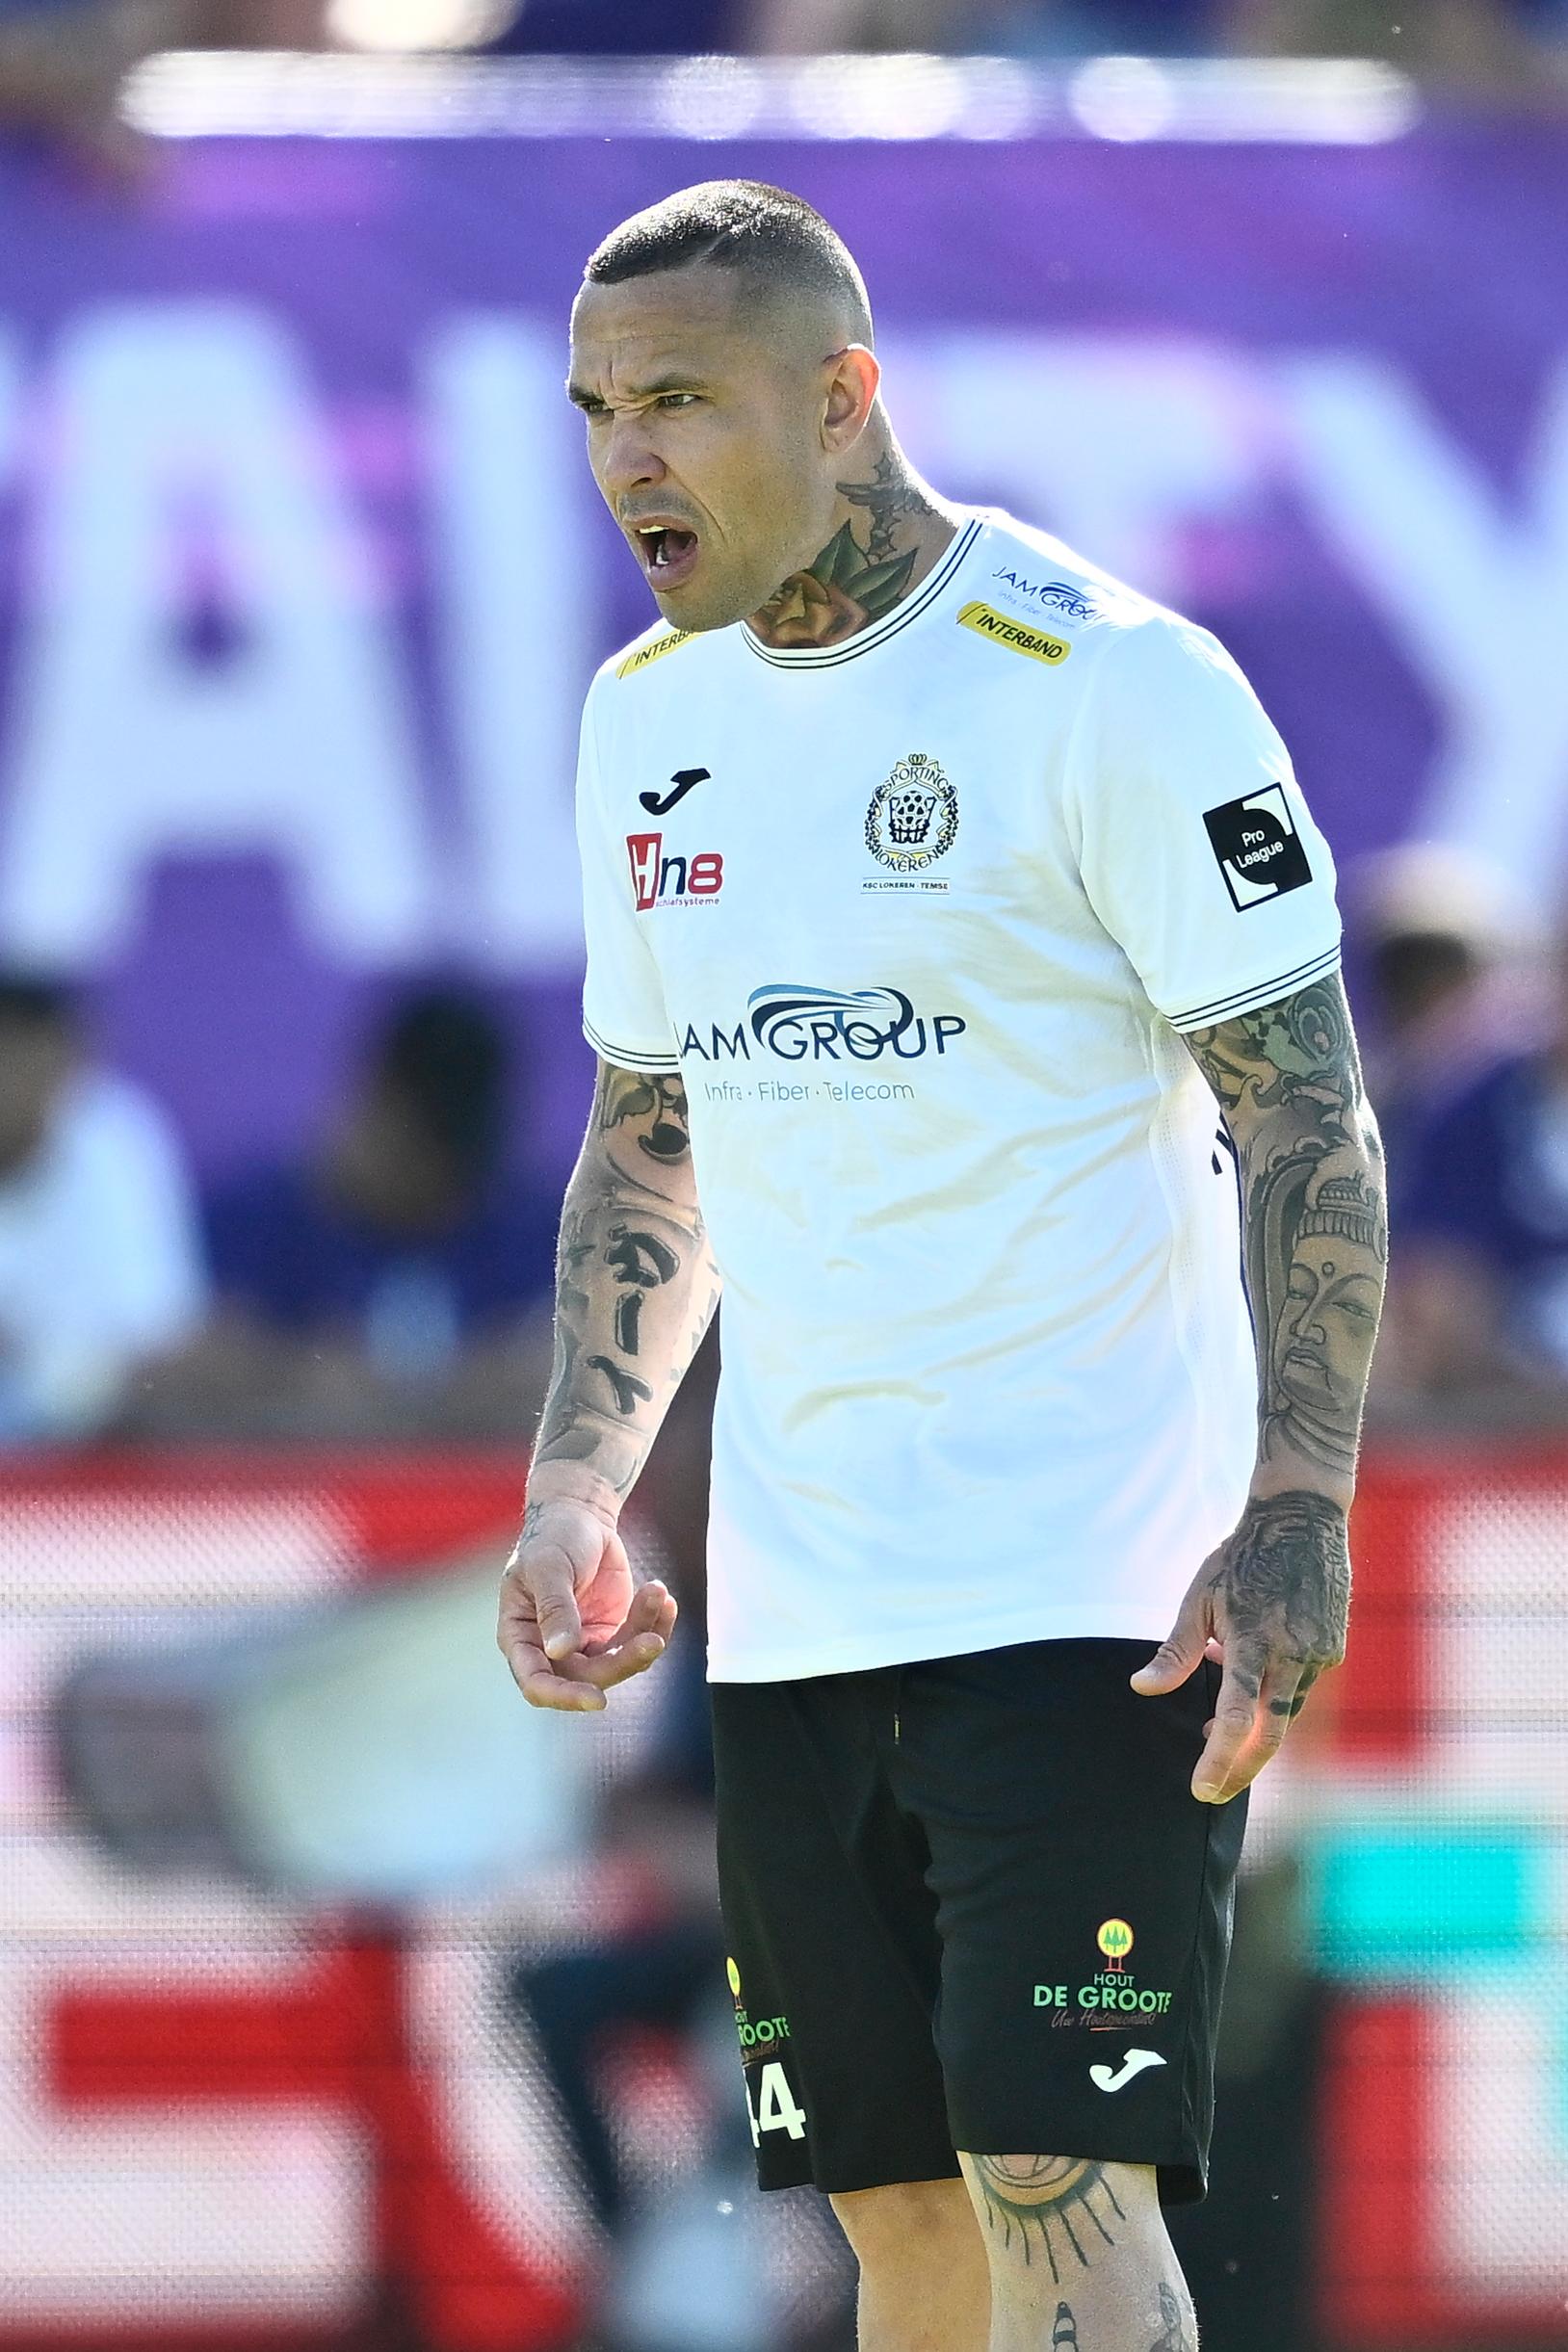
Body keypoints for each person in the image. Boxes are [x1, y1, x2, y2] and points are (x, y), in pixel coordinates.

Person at [497, 182, 1385, 2352]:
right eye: (599, 409)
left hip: (1090, 1587)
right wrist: (572, 1483)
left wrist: (1293, 1506)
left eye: (681, 401)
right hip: (802, 1612)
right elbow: (655, 1131)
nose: (627, 458)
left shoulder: (1111, 684)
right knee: (894, 2226)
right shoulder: (642, 719)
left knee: (1055, 2189)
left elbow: (1303, 1109)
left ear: (844, 396)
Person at [186, 986, 556, 1439]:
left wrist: (428, 1400)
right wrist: (287, 1380)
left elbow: (559, 1374)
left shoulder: (535, 1233)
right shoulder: (254, 1221)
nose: (424, 1190)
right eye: (408, 1154)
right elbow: (170, 1375)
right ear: (374, 1104)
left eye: (446, 1176)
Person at [0, 973, 206, 1436]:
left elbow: (154, 1345)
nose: (19, 1087)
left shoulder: (116, 1136)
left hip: (84, 1467)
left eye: (41, 1064)